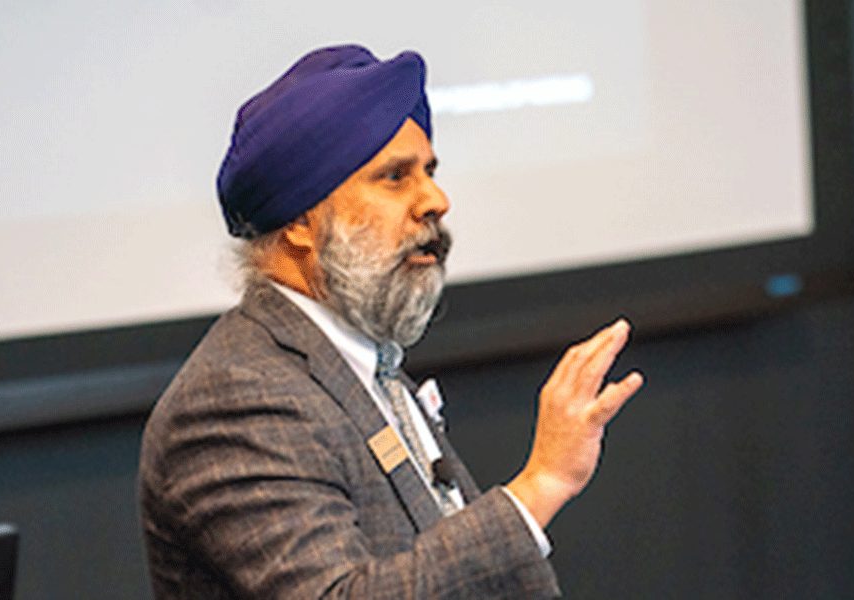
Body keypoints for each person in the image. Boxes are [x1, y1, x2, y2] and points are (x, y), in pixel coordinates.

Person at [138, 44, 644, 599]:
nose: (436, 199)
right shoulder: (236, 399)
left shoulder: (363, 364)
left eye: (429, 171)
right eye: (396, 177)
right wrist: (540, 484)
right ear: (300, 223)